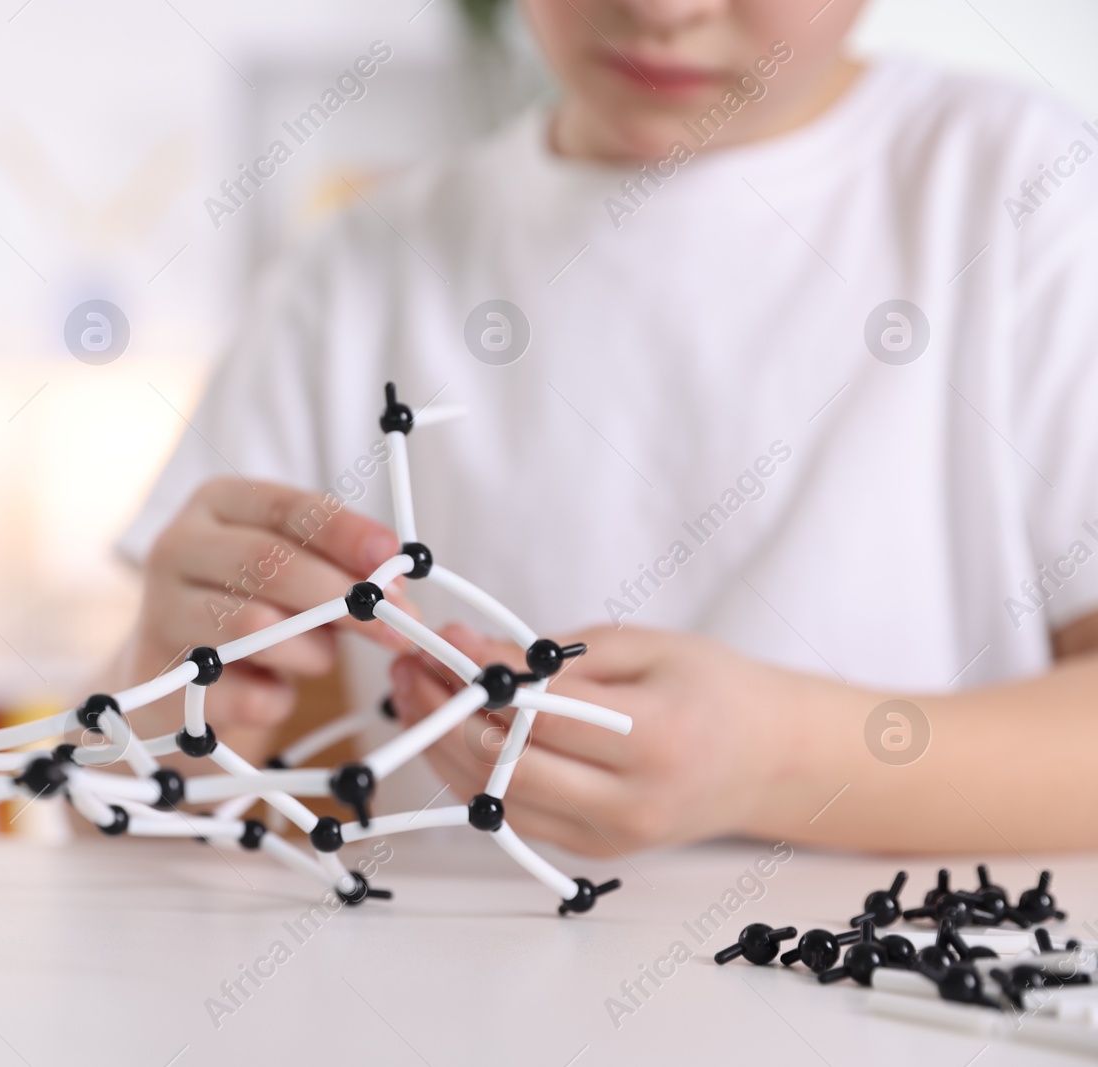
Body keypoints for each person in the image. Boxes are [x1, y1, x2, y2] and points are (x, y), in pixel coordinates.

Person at [99, 0, 1098, 854]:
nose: (663, 9)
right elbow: (129, 793)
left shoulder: (1033, 198)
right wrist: (155, 686)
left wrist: (779, 760)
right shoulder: (357, 272)